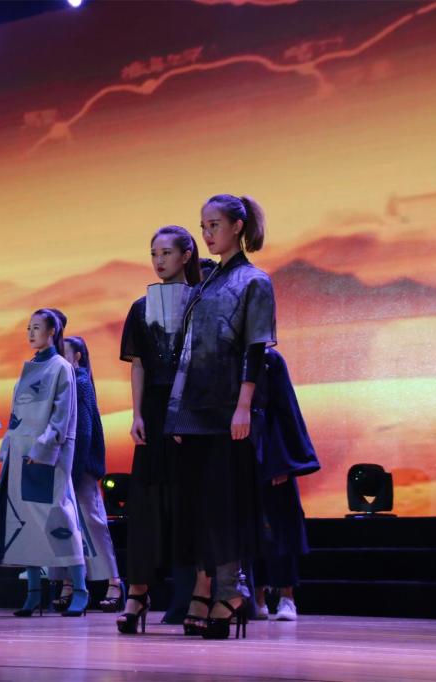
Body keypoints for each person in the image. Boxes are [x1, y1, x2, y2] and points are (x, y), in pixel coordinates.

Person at [166, 194, 275, 640]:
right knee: (198, 506)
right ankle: (206, 586)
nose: (207, 234)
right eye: (203, 226)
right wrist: (177, 413)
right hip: (195, 409)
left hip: (230, 407)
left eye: (214, 225)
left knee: (225, 504)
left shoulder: (254, 280)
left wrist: (244, 405)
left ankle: (232, 590)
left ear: (237, 226)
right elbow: (186, 353)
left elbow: (256, 347)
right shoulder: (205, 283)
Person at [116, 225, 203, 634]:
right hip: (153, 409)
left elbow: (204, 364)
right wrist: (136, 414)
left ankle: (197, 593)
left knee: (188, 503)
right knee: (146, 504)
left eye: (166, 252)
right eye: (154, 253)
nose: (159, 260)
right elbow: (138, 364)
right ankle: (137, 593)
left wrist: (190, 414)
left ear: (186, 255)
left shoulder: (202, 301)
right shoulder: (140, 307)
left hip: (190, 408)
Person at [0, 309, 88, 617]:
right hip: (22, 453)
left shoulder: (61, 367)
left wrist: (43, 447)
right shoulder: (30, 367)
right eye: (28, 328)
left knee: (59, 517)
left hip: (48, 455)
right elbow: (17, 414)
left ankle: (81, 589)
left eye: (36, 328)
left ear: (51, 332)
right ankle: (33, 593)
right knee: (25, 523)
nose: (30, 333)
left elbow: (62, 414)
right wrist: (9, 446)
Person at [48, 336, 123, 613]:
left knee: (93, 523)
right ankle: (70, 582)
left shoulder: (80, 383)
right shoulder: (64, 383)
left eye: (65, 351)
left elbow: (84, 431)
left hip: (80, 466)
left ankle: (114, 583)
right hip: (65, 466)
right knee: (67, 525)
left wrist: (76, 470)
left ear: (78, 356)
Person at [252, 348, 320, 622]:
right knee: (248, 526)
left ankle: (287, 597)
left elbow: (286, 408)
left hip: (271, 448)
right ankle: (256, 598)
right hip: (239, 446)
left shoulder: (270, 359)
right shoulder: (227, 354)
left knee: (281, 525)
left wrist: (282, 461)